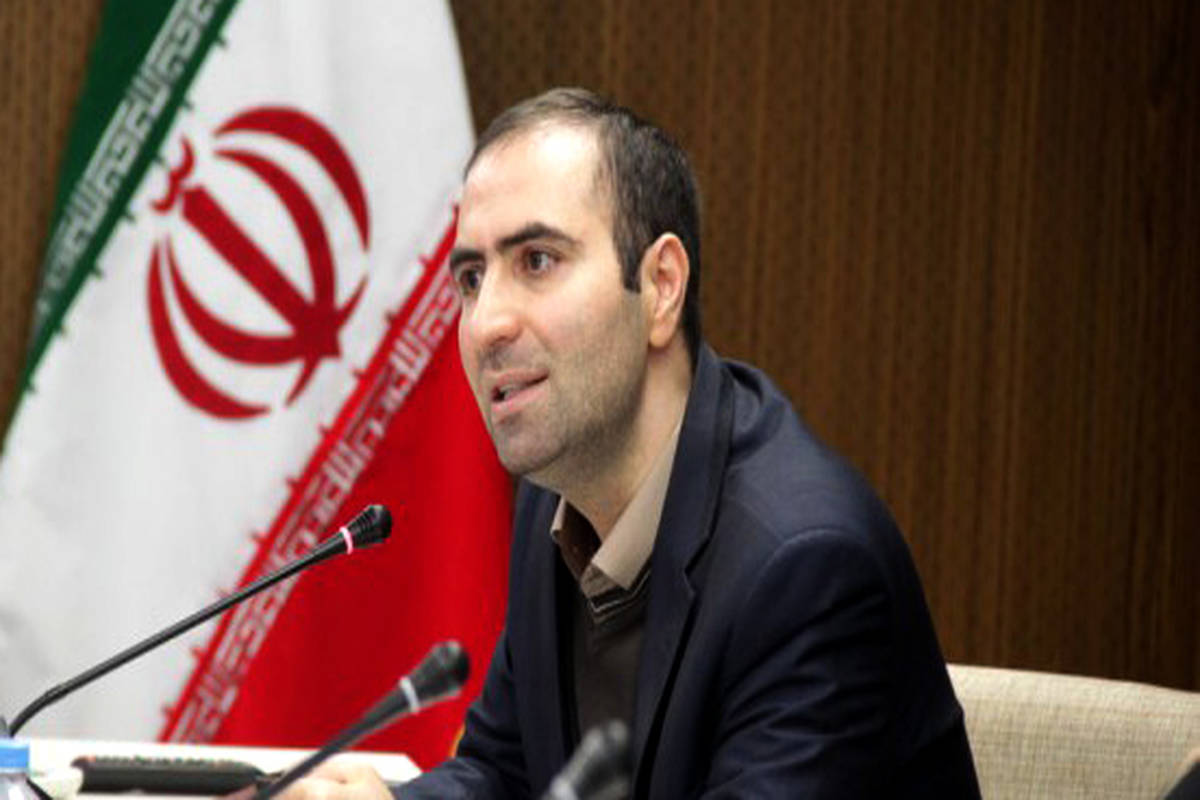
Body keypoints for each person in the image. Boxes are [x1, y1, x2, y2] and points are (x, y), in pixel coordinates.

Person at [287, 87, 980, 799]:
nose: (486, 322)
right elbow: (505, 772)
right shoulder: (556, 498)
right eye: (471, 277)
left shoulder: (805, 567)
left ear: (660, 287)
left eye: (537, 261)